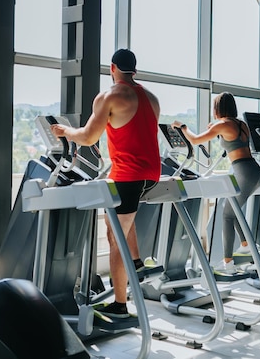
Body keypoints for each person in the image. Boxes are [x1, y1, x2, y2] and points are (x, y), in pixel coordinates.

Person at [50, 48, 161, 318]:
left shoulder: (110, 96)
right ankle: (135, 262)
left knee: (115, 238)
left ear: (112, 68)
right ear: (134, 70)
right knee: (120, 221)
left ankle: (121, 305)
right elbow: (136, 132)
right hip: (151, 174)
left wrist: (65, 132)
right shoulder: (152, 98)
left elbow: (87, 137)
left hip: (128, 175)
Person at [171, 92, 260, 274]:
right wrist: (215, 129)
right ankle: (245, 245)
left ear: (218, 109)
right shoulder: (240, 124)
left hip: (244, 172)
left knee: (227, 215)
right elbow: (232, 140)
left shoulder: (222, 124)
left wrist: (182, 127)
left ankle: (228, 264)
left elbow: (196, 140)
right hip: (255, 171)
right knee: (234, 211)